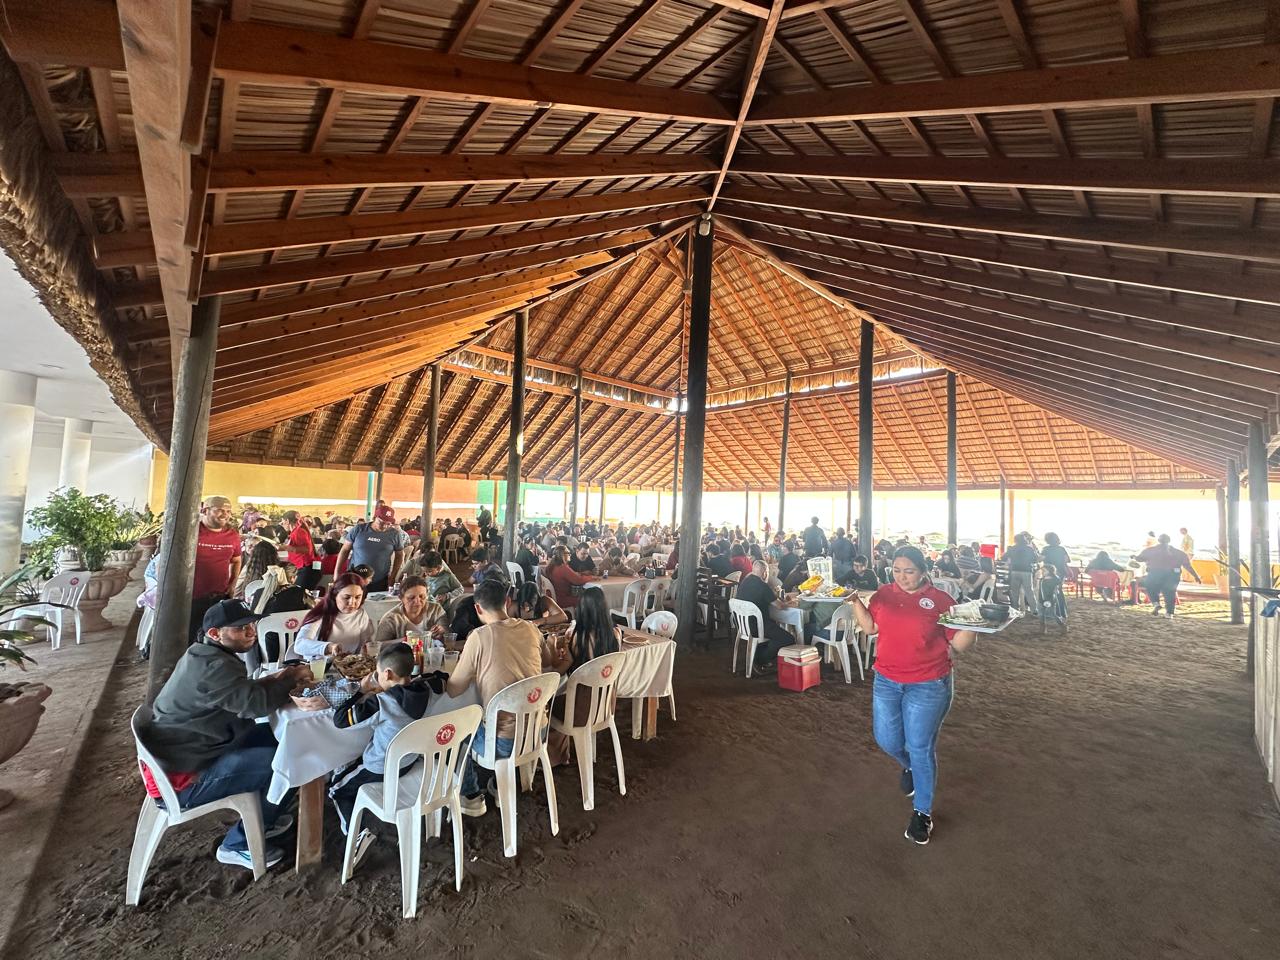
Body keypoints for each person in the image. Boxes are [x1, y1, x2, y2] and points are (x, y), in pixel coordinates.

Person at [143, 599, 313, 869]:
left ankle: (264, 815)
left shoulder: (203, 653)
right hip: (183, 780)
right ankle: (238, 844)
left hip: (188, 753)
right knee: (290, 760)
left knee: (278, 737)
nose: (251, 632)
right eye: (240, 628)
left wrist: (275, 680)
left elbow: (239, 693)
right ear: (215, 633)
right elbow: (255, 704)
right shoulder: (214, 667)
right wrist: (291, 679)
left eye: (251, 625)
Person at [847, 546, 977, 845]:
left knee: (920, 746)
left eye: (909, 571)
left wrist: (972, 625)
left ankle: (922, 813)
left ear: (922, 571)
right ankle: (908, 766)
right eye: (896, 570)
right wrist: (854, 601)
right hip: (887, 680)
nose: (902, 577)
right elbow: (871, 627)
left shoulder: (942, 601)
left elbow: (958, 645)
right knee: (887, 739)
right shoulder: (883, 595)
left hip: (929, 683)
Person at [447, 579, 568, 816]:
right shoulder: (531, 629)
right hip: (538, 731)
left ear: (478, 609)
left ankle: (470, 796)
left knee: (457, 732)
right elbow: (546, 663)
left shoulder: (479, 637)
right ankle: (502, 783)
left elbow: (454, 689)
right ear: (508, 601)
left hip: (502, 742)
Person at [329, 642, 447, 868]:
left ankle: (356, 838)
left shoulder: (381, 702)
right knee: (348, 767)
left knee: (336, 788)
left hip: (380, 767)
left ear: (388, 673)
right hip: (410, 760)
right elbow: (441, 676)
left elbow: (340, 720)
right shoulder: (430, 690)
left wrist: (362, 690)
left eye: (378, 674)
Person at [548, 586, 621, 764]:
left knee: (547, 705)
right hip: (605, 706)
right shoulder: (615, 634)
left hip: (580, 710)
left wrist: (553, 645)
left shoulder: (577, 638)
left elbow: (562, 670)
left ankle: (556, 757)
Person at [192, 496, 243, 642]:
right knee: (192, 636)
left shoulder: (232, 535)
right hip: (192, 597)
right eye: (220, 510)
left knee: (215, 636)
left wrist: (233, 583)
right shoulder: (193, 531)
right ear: (205, 510)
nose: (225, 514)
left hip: (219, 596)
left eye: (228, 511)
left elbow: (236, 560)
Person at [736, 560, 799, 671]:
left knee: (774, 631)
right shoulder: (763, 586)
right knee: (788, 638)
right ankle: (760, 659)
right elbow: (779, 606)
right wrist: (790, 603)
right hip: (758, 626)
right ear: (765, 573)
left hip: (743, 625)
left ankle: (760, 657)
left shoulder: (745, 581)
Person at [294, 573, 374, 658]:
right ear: (335, 595)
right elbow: (299, 645)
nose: (352, 603)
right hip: (319, 666)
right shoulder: (321, 613)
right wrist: (329, 647)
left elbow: (365, 644)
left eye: (357, 597)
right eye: (347, 597)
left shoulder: (360, 614)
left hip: (348, 666)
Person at [337, 503, 410, 592]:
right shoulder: (359, 529)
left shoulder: (395, 534)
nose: (384, 526)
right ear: (375, 517)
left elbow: (399, 555)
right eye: (381, 522)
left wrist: (392, 577)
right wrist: (337, 573)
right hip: (354, 578)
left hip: (379, 580)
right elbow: (345, 550)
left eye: (388, 524)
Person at [1136, 534, 1201, 618]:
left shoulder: (1150, 550)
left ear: (1159, 541)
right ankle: (1169, 613)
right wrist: (1196, 576)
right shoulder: (1179, 553)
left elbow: (1140, 559)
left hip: (1155, 573)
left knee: (1151, 587)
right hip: (1173, 574)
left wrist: (1134, 557)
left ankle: (1156, 603)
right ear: (1169, 541)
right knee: (1170, 593)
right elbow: (1187, 565)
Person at [373, 575, 447, 645]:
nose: (417, 601)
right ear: (401, 598)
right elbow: (379, 645)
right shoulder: (391, 618)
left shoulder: (435, 610)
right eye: (411, 598)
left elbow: (449, 635)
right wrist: (405, 640)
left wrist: (442, 631)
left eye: (422, 596)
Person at [547, 545, 597, 610]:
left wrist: (581, 573)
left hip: (554, 598)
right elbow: (578, 580)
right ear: (563, 555)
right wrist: (592, 577)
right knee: (589, 599)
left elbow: (572, 575)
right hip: (562, 599)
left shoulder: (552, 566)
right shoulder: (563, 568)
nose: (570, 554)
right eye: (568, 553)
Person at [1002, 533, 1040, 614]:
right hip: (1027, 571)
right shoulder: (1029, 549)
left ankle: (1015, 610)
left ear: (1015, 540)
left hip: (1015, 571)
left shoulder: (1012, 548)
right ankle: (1034, 610)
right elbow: (1035, 560)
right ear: (1024, 540)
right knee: (1029, 591)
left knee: (1015, 592)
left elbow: (1003, 557)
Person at [282, 510, 320, 590]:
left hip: (305, 568)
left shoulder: (298, 531)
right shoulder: (297, 531)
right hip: (305, 567)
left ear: (287, 521)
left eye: (283, 522)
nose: (282, 525)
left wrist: (284, 547)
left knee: (299, 593)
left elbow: (307, 549)